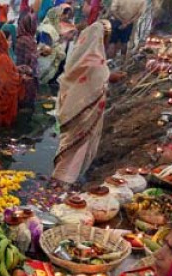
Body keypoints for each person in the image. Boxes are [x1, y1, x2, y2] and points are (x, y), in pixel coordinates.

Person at [52, 20, 111, 183]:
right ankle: (64, 180)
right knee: (78, 147)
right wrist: (110, 78)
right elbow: (97, 82)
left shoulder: (80, 55)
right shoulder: (95, 60)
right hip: (84, 112)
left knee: (71, 145)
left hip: (75, 107)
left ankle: (62, 177)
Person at [0, 31, 24, 126]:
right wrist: (21, 78)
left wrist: (16, 70)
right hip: (2, 103)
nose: (11, 42)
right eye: (9, 40)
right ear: (3, 41)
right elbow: (6, 81)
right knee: (3, 126)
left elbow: (2, 74)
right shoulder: (3, 58)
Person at [15, 14, 40, 107]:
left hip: (18, 74)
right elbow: (31, 61)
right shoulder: (29, 40)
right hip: (28, 78)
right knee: (28, 105)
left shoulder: (19, 38)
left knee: (20, 102)